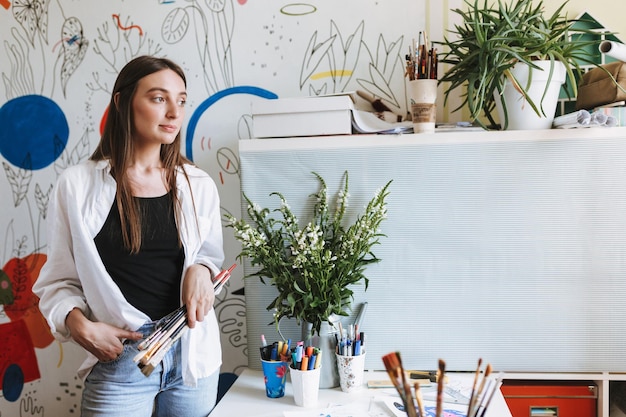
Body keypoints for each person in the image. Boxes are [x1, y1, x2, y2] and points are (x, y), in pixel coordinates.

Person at [33, 55, 225, 417]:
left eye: (181, 100)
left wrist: (201, 270)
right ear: (122, 102)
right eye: (158, 98)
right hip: (121, 361)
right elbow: (56, 282)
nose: (173, 112)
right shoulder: (76, 186)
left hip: (192, 359)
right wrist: (82, 328)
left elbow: (209, 259)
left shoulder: (197, 185)